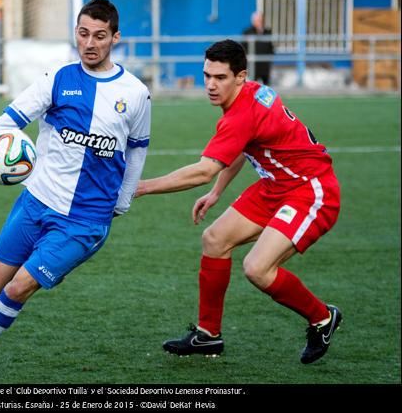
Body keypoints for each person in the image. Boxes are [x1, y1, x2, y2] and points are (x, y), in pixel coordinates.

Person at [0, 0, 151, 383]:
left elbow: (137, 150)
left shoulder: (135, 93)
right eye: (83, 34)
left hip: (85, 220)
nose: (90, 43)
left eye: (100, 36)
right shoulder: (58, 79)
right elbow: (6, 123)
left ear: (115, 37)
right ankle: (48, 264)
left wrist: (123, 200)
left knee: (16, 288)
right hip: (36, 202)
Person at [135, 39, 342, 365]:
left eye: (220, 78)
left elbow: (202, 170)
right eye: (207, 76)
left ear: (240, 76)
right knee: (215, 239)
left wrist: (142, 186)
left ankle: (323, 318)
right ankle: (208, 335)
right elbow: (241, 148)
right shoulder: (252, 92)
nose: (211, 85)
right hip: (277, 185)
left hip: (311, 190)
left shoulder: (240, 114)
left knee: (258, 269)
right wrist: (218, 191)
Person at [242, 11, 274, 85]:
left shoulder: (267, 31)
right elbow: (243, 48)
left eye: (260, 20)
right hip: (253, 65)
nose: (258, 22)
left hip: (265, 64)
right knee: (253, 85)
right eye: (256, 20)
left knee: (267, 86)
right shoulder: (247, 32)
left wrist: (270, 57)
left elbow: (271, 46)